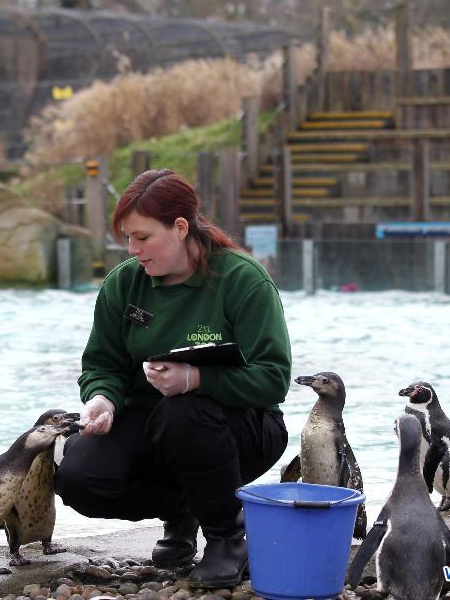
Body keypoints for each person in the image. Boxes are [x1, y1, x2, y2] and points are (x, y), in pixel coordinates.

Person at [55, 169, 291, 588]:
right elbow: (101, 364)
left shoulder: (242, 279)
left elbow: (273, 379)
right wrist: (102, 400)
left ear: (180, 228)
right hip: (152, 421)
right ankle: (186, 508)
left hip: (242, 427)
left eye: (143, 237)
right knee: (79, 478)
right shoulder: (124, 284)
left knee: (182, 415)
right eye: (127, 238)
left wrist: (197, 379)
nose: (133, 249)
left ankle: (226, 537)